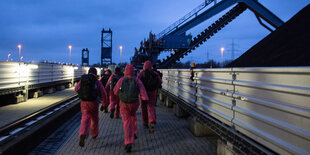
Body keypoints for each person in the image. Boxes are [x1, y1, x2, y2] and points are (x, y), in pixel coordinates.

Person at [113, 64, 149, 153]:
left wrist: (120, 95)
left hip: (124, 104)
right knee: (133, 117)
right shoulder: (136, 80)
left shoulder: (121, 80)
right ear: (133, 71)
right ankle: (134, 132)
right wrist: (145, 99)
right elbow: (142, 91)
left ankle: (128, 141)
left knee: (126, 122)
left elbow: (115, 91)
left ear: (125, 71)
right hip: (134, 103)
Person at [75, 67, 108, 147]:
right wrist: (104, 104)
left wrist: (83, 93)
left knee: (85, 118)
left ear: (89, 72)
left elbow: (76, 89)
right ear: (96, 73)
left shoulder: (83, 79)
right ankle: (94, 134)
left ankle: (82, 133)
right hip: (93, 103)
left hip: (83, 102)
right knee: (94, 119)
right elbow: (103, 94)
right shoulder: (97, 81)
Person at [138, 60, 162, 133]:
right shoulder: (155, 73)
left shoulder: (141, 74)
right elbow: (160, 82)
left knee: (144, 108)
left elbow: (137, 82)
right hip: (152, 92)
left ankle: (145, 123)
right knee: (151, 107)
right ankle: (152, 121)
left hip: (143, 93)